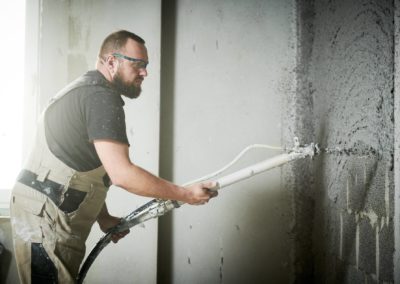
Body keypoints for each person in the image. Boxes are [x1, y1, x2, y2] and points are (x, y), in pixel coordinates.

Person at [10, 30, 217, 284]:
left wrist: (104, 217)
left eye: (146, 65)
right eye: (138, 64)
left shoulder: (85, 90)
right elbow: (121, 174)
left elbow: (80, 167)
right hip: (46, 220)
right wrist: (185, 194)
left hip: (45, 212)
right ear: (111, 62)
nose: (145, 73)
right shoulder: (101, 98)